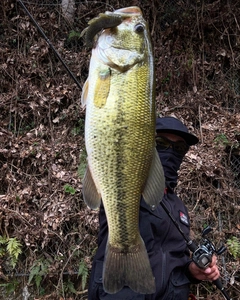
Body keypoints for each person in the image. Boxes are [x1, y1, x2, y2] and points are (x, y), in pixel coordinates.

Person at [88, 116, 220, 300]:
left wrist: (192, 271)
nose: (171, 152)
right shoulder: (123, 185)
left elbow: (173, 260)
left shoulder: (179, 207)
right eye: (161, 143)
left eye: (179, 148)